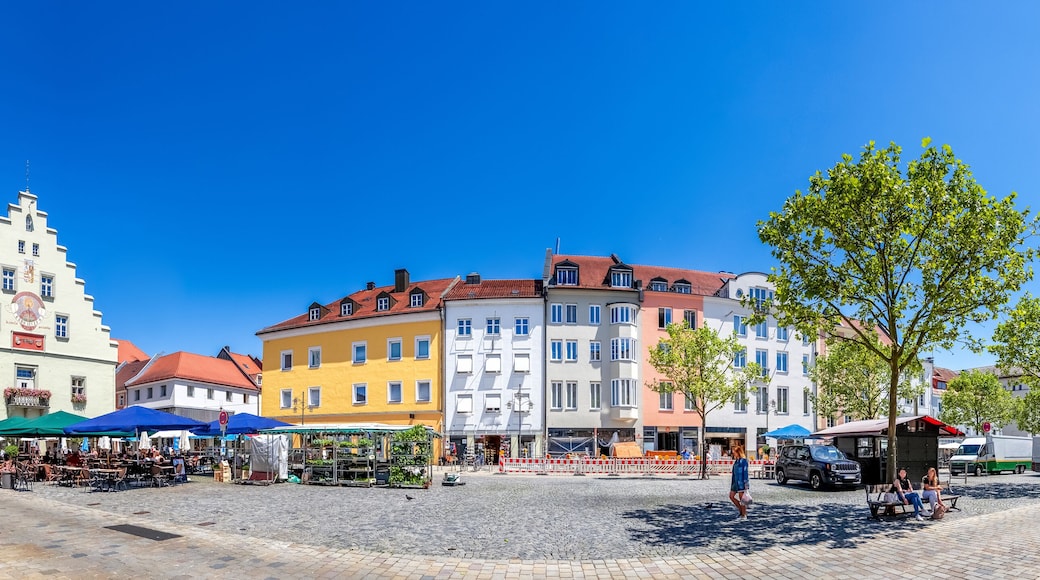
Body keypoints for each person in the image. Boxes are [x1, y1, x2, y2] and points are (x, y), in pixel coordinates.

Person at [728, 445, 750, 521]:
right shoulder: (736, 461)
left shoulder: (743, 461)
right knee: (731, 496)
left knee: (742, 499)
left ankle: (744, 515)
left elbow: (745, 472)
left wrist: (746, 484)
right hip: (735, 482)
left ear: (738, 452)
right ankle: (741, 511)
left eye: (734, 452)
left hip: (741, 482)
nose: (733, 453)